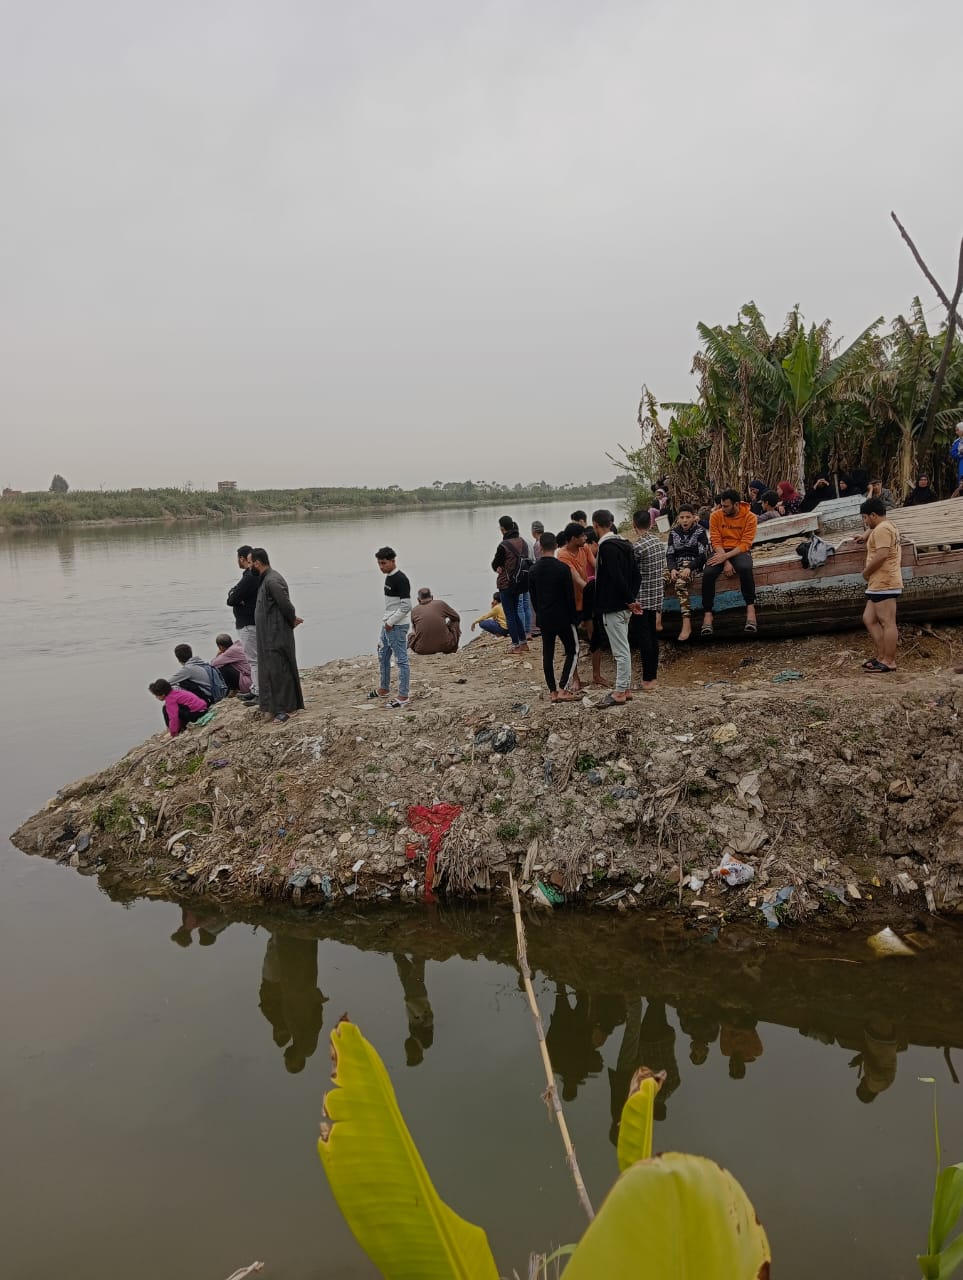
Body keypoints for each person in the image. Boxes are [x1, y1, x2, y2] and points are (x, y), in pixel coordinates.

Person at [592, 509, 641, 707]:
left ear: (596, 525)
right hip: (625, 604)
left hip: (614, 605)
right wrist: (632, 598)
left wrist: (629, 600)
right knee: (624, 646)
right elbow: (636, 575)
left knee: (620, 650)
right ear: (611, 523)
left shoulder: (606, 548)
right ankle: (625, 687)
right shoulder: (625, 544)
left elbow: (614, 576)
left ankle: (620, 691)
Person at [251, 548, 304, 722]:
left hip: (276, 635)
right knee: (270, 671)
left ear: (257, 562)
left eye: (251, 562)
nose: (249, 566)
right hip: (268, 635)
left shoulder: (273, 580)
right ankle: (272, 707)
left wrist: (291, 620)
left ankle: (287, 707)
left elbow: (286, 606)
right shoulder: (265, 579)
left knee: (280, 669)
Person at [528, 531, 579, 703]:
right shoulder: (563, 569)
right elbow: (569, 596)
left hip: (545, 617)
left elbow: (533, 599)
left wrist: (540, 614)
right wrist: (574, 618)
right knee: (573, 650)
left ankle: (552, 691)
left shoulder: (533, 571)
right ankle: (563, 687)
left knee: (547, 654)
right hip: (563, 617)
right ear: (556, 546)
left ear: (540, 548)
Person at [701, 489, 758, 637]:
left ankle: (750, 608)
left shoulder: (750, 517)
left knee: (745, 568)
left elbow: (746, 543)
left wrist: (727, 556)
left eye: (726, 506)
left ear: (736, 504)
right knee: (707, 573)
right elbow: (715, 540)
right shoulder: (716, 516)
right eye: (721, 505)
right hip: (720, 550)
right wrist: (725, 561)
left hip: (739, 550)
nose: (722, 509)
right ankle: (708, 613)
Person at [857, 497, 902, 673]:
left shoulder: (883, 530)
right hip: (878, 583)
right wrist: (864, 535)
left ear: (873, 515)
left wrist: (866, 572)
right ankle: (882, 656)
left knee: (887, 621)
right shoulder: (885, 525)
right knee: (869, 618)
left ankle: (889, 661)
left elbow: (882, 555)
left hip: (885, 581)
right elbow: (873, 530)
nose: (865, 521)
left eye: (865, 518)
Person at [662, 504, 709, 642]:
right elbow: (669, 554)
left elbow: (703, 556)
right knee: (659, 582)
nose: (685, 520)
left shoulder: (700, 532)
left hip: (693, 564)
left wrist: (690, 568)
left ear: (694, 518)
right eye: (682, 517)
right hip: (675, 565)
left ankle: (686, 622)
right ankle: (657, 618)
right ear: (678, 519)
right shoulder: (673, 533)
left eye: (688, 517)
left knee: (680, 584)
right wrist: (672, 569)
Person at [630, 510, 666, 689]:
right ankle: (653, 677)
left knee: (644, 639)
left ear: (634, 525)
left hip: (641, 599)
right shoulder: (660, 543)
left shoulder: (638, 547)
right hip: (656, 596)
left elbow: (631, 571)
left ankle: (647, 680)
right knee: (652, 637)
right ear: (651, 524)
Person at [374, 546, 412, 707]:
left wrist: (391, 622)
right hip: (388, 623)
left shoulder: (400, 579)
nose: (381, 567)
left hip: (396, 625)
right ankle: (384, 688)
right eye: (379, 564)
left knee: (401, 660)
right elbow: (392, 604)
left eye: (384, 563)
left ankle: (403, 696)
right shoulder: (389, 577)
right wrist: (387, 622)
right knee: (382, 654)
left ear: (393, 561)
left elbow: (406, 606)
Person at [491, 516, 531, 653]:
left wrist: (499, 568)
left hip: (506, 584)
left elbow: (495, 564)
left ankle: (516, 645)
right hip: (520, 582)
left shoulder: (504, 545)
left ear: (502, 529)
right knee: (515, 613)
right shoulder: (523, 542)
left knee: (510, 614)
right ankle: (523, 643)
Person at [226, 544, 260, 701]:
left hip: (248, 623)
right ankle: (256, 688)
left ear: (242, 559)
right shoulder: (251, 576)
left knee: (253, 660)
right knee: (255, 659)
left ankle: (258, 691)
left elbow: (232, 599)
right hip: (249, 621)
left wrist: (236, 597)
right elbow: (234, 596)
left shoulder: (250, 577)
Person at [408, 588, 460, 655]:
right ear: (432, 597)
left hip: (421, 650)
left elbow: (415, 630)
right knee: (455, 622)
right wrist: (448, 625)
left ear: (418, 599)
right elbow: (456, 617)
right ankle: (453, 649)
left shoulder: (414, 610)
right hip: (445, 647)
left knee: (411, 634)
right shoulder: (440, 604)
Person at [952, 423, 963, 495]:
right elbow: (953, 453)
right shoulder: (956, 442)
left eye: (957, 430)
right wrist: (961, 454)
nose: (956, 432)